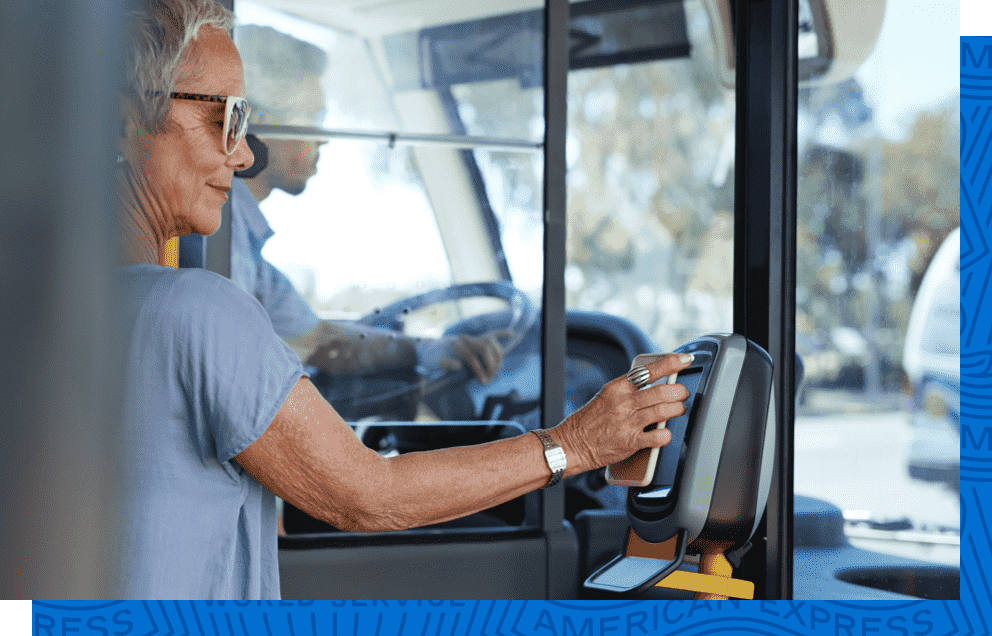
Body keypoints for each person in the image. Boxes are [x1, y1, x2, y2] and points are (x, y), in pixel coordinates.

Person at [115, 0, 692, 599]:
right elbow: (369, 495)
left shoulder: (69, 309)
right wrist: (575, 444)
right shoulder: (198, 311)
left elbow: (310, 340)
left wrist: (428, 355)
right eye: (223, 118)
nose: (242, 153)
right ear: (122, 121)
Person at [229, 24, 505, 389]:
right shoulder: (223, 233)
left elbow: (320, 341)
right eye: (312, 118)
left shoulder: (244, 244)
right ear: (261, 126)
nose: (323, 139)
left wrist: (427, 350)